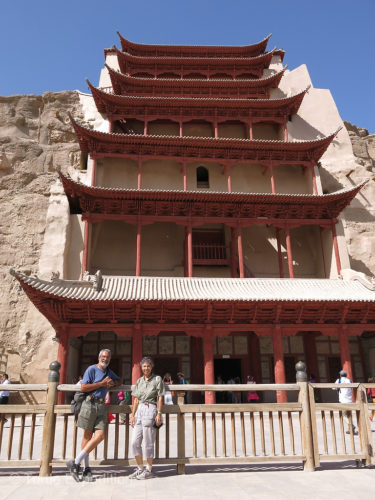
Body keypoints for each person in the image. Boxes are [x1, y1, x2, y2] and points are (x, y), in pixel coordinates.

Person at [66, 348, 119, 482]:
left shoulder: (108, 371)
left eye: (107, 357)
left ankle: (75, 462)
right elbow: (83, 387)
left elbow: (118, 381)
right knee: (87, 436)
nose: (105, 359)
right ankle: (86, 469)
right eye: (103, 357)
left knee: (100, 436)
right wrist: (101, 384)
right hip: (90, 403)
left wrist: (113, 383)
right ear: (99, 357)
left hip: (101, 406)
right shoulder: (91, 369)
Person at [128, 357, 165, 480]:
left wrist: (159, 413)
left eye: (148, 366)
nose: (146, 368)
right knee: (134, 442)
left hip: (150, 408)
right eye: (144, 366)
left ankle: (148, 469)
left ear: (151, 367)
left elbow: (160, 397)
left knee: (149, 442)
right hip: (139, 411)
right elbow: (136, 399)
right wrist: (132, 415)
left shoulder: (157, 379)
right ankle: (140, 468)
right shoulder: (139, 381)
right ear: (141, 367)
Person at [334, 369, 357, 435]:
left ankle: (351, 425)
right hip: (350, 400)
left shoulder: (339, 380)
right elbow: (352, 389)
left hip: (343, 400)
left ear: (340, 375)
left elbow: (333, 387)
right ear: (346, 375)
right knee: (349, 415)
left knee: (344, 415)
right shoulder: (349, 380)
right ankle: (350, 429)